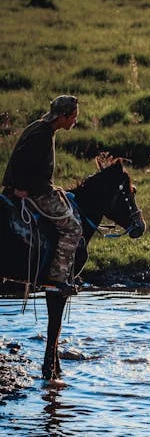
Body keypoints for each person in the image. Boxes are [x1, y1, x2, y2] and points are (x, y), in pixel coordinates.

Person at [2, 95, 81, 296]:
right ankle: (58, 278)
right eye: (73, 117)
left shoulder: (39, 128)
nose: (75, 121)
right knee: (73, 228)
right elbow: (23, 165)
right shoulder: (42, 135)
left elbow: (18, 160)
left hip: (33, 187)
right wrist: (18, 187)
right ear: (62, 117)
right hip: (36, 192)